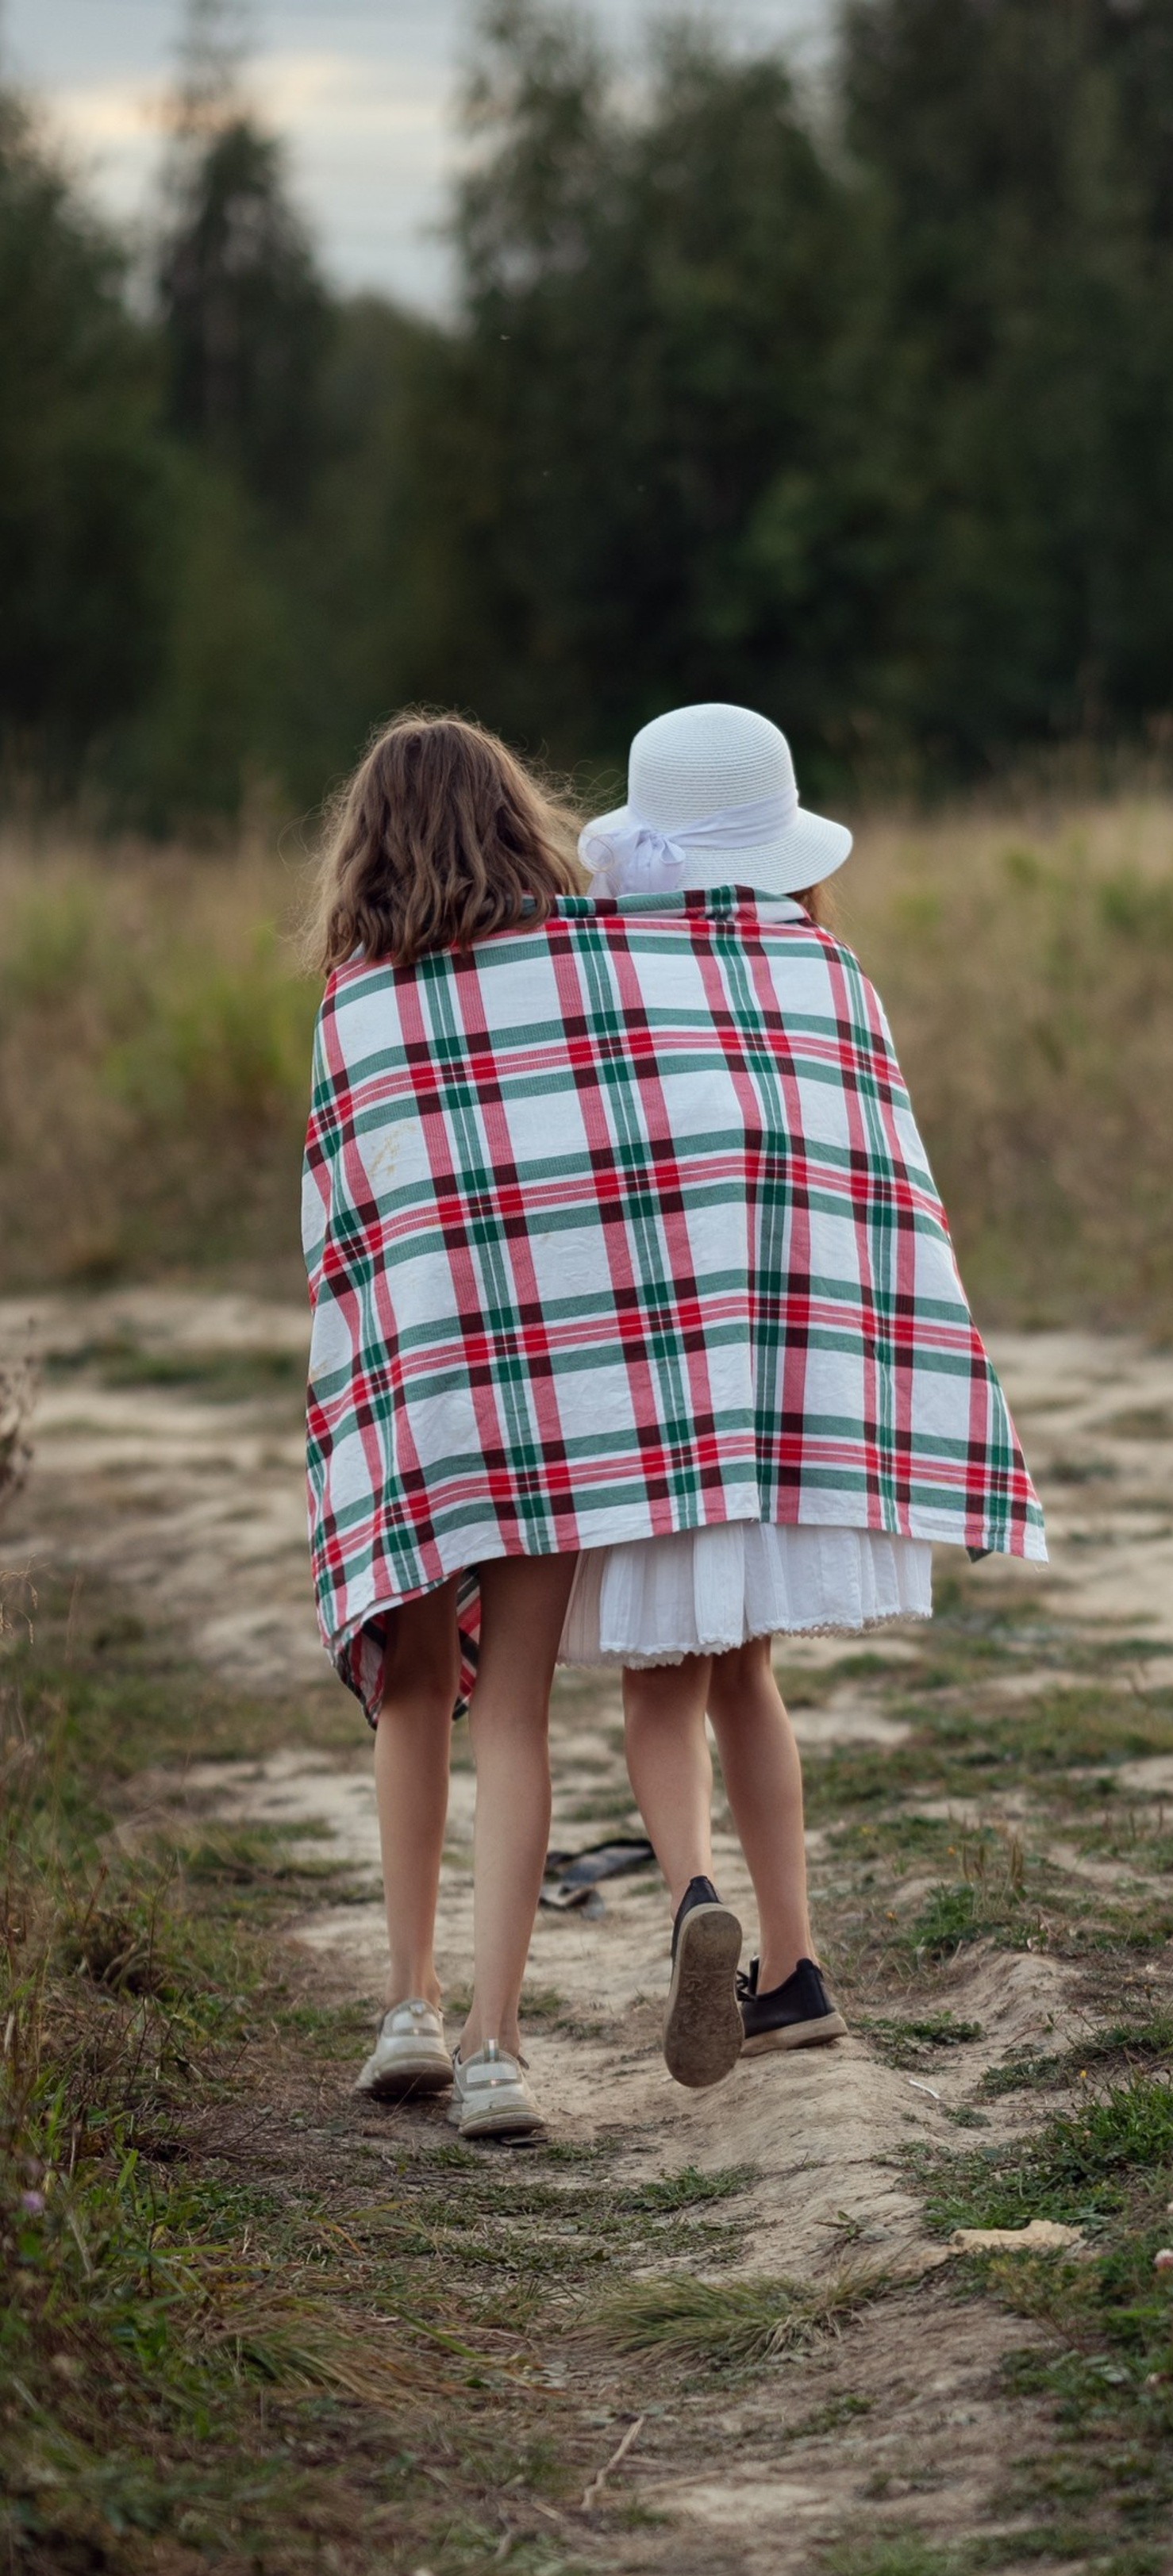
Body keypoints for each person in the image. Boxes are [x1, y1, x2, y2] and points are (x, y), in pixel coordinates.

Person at [302, 705, 1045, 2140]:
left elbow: (387, 1223)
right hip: (700, 1403)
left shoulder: (436, 996)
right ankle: (690, 1990)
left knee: (531, 1689)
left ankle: (502, 1965)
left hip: (523, 1404)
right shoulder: (766, 975)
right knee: (668, 1689)